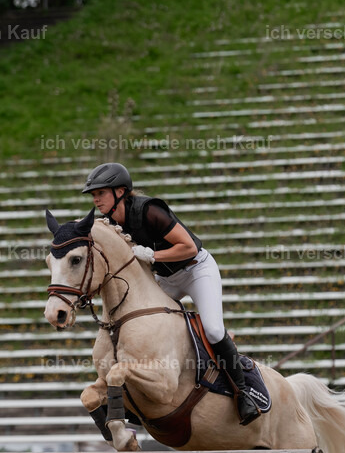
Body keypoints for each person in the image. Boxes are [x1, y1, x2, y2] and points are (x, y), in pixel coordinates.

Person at [81, 162, 271, 425]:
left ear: (120, 191)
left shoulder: (150, 210)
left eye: (100, 193)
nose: (96, 199)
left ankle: (243, 393)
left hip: (196, 271)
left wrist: (153, 255)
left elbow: (189, 247)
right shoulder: (111, 223)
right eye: (93, 195)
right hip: (164, 277)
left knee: (214, 330)